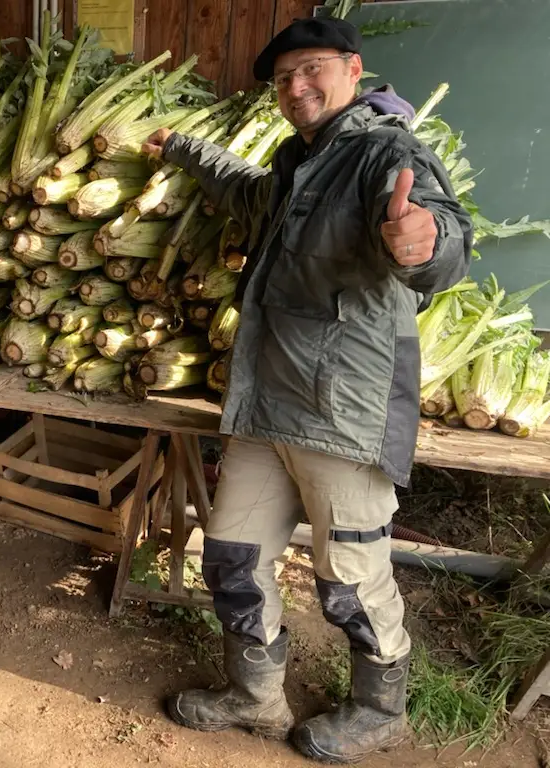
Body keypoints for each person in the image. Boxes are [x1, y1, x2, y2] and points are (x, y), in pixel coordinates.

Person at [141, 16, 473, 764]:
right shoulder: (300, 161)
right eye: (283, 79)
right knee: (231, 556)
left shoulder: (386, 153)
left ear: (353, 69)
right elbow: (248, 194)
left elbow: (444, 238)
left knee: (350, 580)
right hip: (267, 403)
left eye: (312, 69)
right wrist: (184, 147)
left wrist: (425, 244)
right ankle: (255, 698)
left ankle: (379, 706)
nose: (296, 87)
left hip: (342, 411)